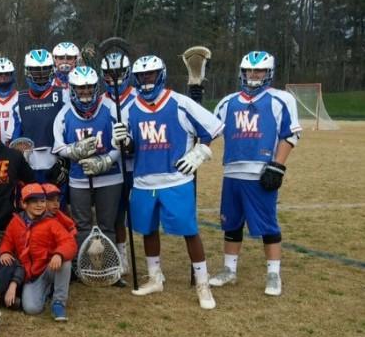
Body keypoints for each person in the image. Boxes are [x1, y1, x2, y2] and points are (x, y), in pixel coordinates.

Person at [112, 55, 224, 310]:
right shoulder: (130, 108)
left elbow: (212, 129)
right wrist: (124, 140)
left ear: (160, 75)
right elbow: (130, 148)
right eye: (141, 76)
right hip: (143, 180)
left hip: (176, 179)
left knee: (189, 231)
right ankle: (155, 277)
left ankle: (202, 282)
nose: (146, 80)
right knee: (148, 230)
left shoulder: (180, 102)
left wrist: (199, 153)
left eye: (150, 75)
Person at [209, 51, 301, 296]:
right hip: (232, 172)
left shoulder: (280, 99)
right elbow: (208, 130)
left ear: (268, 72)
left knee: (267, 225)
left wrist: (278, 166)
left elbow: (289, 135)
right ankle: (229, 270)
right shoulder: (227, 102)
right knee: (231, 224)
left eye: (258, 70)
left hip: (261, 173)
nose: (253, 74)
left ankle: (273, 274)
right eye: (249, 70)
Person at [52, 66, 123, 250]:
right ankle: (82, 264)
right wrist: (74, 150)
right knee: (82, 226)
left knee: (108, 225)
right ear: (73, 89)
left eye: (90, 87)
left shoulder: (110, 109)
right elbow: (59, 147)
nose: (86, 91)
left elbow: (121, 144)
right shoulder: (64, 114)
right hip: (79, 178)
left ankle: (110, 266)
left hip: (110, 177)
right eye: (81, 88)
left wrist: (106, 160)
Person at [0, 183, 77, 321]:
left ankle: (58, 302)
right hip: (31, 275)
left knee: (65, 261)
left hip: (49, 268)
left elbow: (69, 242)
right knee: (32, 309)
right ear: (24, 204)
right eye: (34, 202)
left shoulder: (51, 222)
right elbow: (7, 241)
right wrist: (5, 252)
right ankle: (46, 290)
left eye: (42, 201)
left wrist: (58, 254)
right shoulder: (15, 223)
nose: (39, 205)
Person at [100, 51, 137, 276]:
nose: (114, 78)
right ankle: (121, 255)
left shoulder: (138, 96)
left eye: (118, 73)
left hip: (139, 163)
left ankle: (155, 262)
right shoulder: (101, 100)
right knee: (117, 215)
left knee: (140, 215)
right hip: (115, 164)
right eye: (109, 74)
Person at [12, 49, 69, 184]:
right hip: (30, 165)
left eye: (45, 72)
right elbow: (16, 137)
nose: (41, 78)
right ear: (27, 72)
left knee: (56, 204)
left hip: (57, 163)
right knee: (32, 203)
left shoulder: (63, 95)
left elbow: (70, 129)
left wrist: (66, 162)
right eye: (36, 73)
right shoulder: (19, 99)